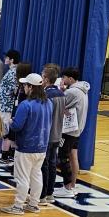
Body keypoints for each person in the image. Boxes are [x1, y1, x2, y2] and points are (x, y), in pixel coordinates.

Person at [3, 72, 51, 215]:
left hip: (25, 147)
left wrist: (11, 121)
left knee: (22, 177)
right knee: (36, 175)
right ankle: (33, 204)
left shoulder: (26, 105)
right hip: (42, 146)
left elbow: (17, 126)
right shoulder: (48, 102)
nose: (23, 87)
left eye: (25, 85)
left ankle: (18, 206)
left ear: (30, 87)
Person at [55, 68, 90, 198]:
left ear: (70, 78)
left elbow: (59, 103)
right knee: (73, 156)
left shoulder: (73, 91)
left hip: (69, 130)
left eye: (64, 77)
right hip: (77, 130)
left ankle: (67, 186)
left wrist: (60, 91)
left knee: (63, 157)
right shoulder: (82, 89)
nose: (62, 80)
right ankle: (72, 185)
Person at [41, 64, 65, 205]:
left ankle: (42, 195)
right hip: (57, 134)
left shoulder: (47, 95)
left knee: (44, 166)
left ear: (45, 78)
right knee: (52, 165)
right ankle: (50, 193)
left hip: (47, 136)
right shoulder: (62, 94)